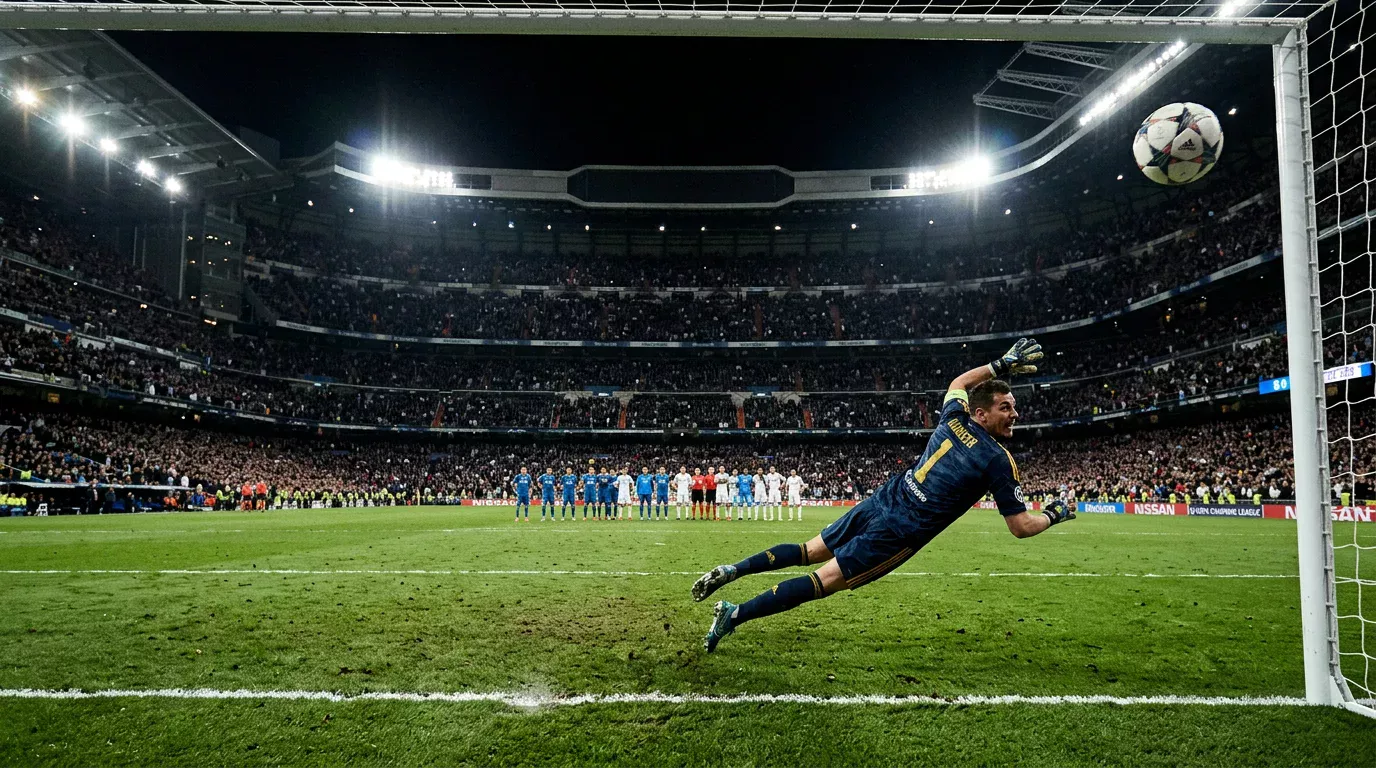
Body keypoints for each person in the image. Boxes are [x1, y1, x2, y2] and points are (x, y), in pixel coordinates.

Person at [692, 338, 1075, 652]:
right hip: (900, 528)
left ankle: (734, 570)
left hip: (885, 497)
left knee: (809, 550)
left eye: (1015, 408)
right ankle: (734, 614)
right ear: (982, 414)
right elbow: (1021, 527)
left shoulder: (952, 419)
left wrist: (1000, 365)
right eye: (1005, 407)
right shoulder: (996, 459)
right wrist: (1055, 514)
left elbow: (958, 382)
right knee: (823, 580)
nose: (1015, 414)